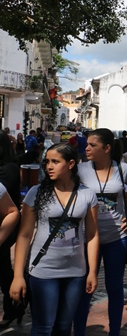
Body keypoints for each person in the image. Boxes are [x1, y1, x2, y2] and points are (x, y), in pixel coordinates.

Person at [10, 143, 99, 336]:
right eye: (47, 162)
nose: (49, 166)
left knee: (64, 327)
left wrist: (92, 271)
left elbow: (92, 235)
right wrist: (18, 276)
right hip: (43, 271)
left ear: (71, 164)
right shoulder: (36, 193)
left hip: (75, 272)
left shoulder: (87, 194)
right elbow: (24, 235)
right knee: (43, 327)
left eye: (55, 162)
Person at [73, 128, 127, 336]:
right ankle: (79, 331)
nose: (87, 148)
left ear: (107, 148)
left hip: (116, 238)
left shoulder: (123, 170)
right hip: (87, 238)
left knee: (115, 288)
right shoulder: (80, 170)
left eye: (92, 145)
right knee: (84, 288)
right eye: (87, 144)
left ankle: (114, 331)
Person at [0, 132, 22, 329]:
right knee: (3, 268)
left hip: (6, 225)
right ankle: (15, 303)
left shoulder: (9, 169)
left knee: (3, 268)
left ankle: (14, 303)